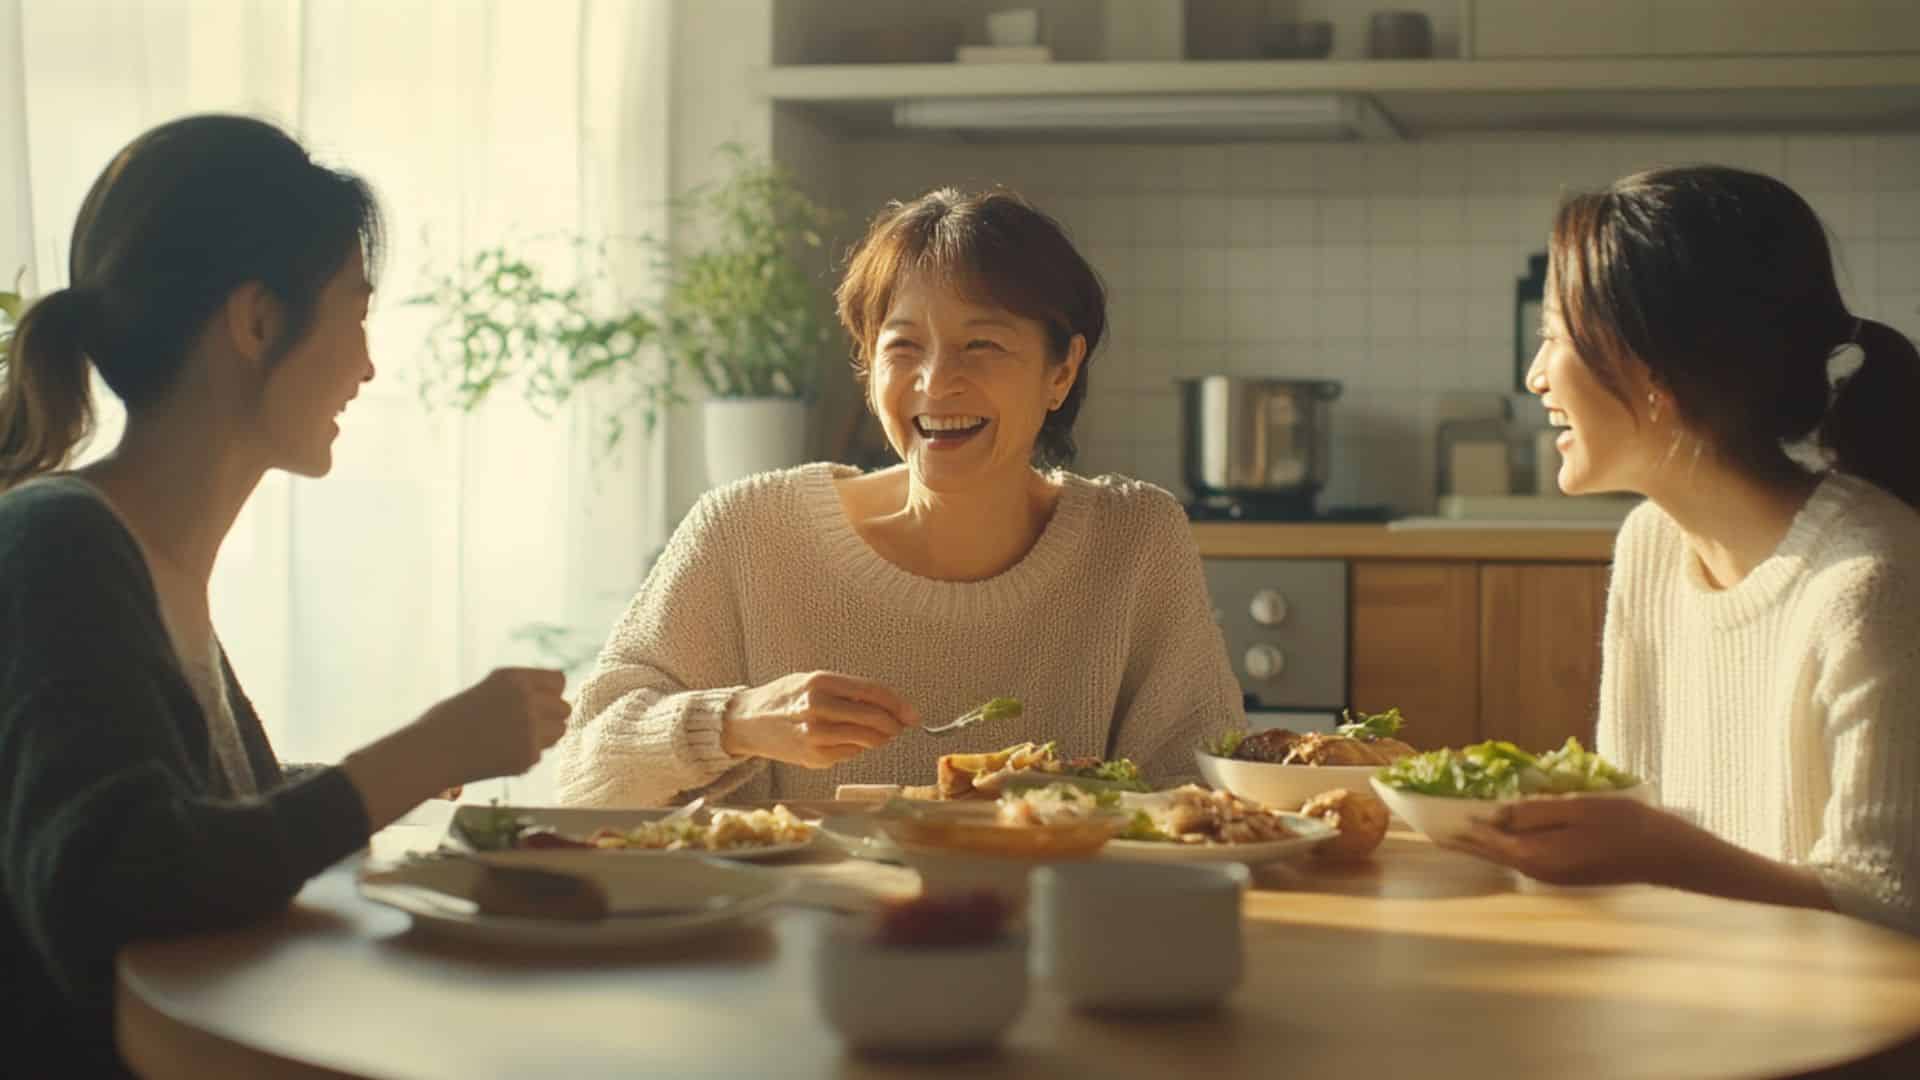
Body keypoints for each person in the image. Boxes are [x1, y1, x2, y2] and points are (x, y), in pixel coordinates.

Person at [0, 114, 572, 1074]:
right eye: (355, 309)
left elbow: (217, 823)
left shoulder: (144, 557)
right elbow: (114, 878)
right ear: (258, 320)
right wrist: (418, 753)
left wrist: (420, 771)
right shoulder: (57, 542)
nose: (367, 364)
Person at [557, 188, 1242, 807]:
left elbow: (1198, 789)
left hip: (1049, 929)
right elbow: (587, 776)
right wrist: (736, 724)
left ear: (1061, 371)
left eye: (982, 345)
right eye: (904, 346)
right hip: (794, 931)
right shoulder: (747, 531)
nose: (936, 384)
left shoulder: (1135, 539)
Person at [1459, 165, 1919, 935]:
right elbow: (1634, 842)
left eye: (1554, 337)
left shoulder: (1870, 584)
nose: (1535, 376)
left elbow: (1891, 912)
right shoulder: (1651, 545)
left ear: (1653, 372)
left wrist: (1653, 849)